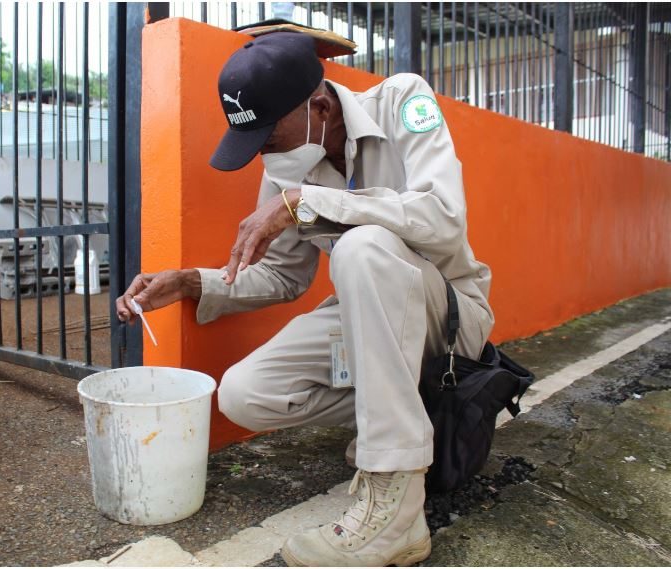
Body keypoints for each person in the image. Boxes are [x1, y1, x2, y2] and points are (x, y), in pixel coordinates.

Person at [115, 32, 494, 567]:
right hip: (370, 324)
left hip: (450, 316)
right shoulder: (288, 168)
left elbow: (444, 220)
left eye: (271, 136)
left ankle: (397, 505)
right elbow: (283, 276)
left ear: (319, 105)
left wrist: (309, 202)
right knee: (247, 394)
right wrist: (189, 281)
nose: (265, 153)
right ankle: (405, 420)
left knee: (362, 248)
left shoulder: (403, 100)